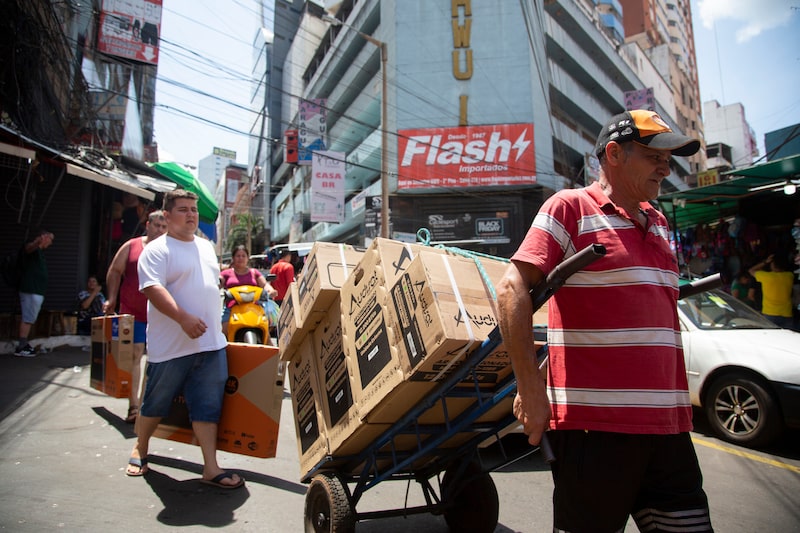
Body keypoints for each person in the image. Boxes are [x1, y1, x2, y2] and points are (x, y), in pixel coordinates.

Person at [497, 110, 713, 532]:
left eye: (668, 160)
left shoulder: (659, 222)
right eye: (654, 157)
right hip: (596, 433)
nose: (666, 168)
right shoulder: (570, 207)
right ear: (614, 154)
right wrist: (530, 388)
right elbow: (511, 289)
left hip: (670, 428)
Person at [125, 190, 243, 489]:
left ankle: (211, 467)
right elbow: (152, 289)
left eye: (193, 209)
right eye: (183, 209)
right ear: (166, 216)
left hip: (211, 344)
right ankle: (140, 446)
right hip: (171, 347)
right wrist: (183, 319)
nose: (191, 214)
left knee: (208, 406)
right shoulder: (156, 250)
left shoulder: (206, 246)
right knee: (155, 403)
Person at [103, 210, 167, 423]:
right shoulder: (131, 246)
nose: (159, 230)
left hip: (160, 312)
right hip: (132, 311)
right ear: (147, 225)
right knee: (135, 354)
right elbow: (115, 271)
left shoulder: (170, 250)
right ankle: (134, 406)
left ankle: (145, 405)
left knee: (155, 358)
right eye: (156, 225)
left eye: (163, 227)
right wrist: (111, 298)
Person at [219, 245, 277, 338]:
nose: (241, 258)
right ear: (233, 258)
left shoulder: (254, 272)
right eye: (238, 256)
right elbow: (218, 283)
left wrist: (271, 290)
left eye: (243, 256)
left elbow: (264, 284)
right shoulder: (226, 273)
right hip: (232, 308)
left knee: (266, 336)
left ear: (247, 258)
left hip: (254, 307)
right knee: (224, 333)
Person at [14, 230, 54, 357]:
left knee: (30, 317)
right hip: (31, 290)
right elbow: (29, 248)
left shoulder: (40, 253)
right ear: (44, 237)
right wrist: (37, 242)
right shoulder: (34, 249)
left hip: (36, 291)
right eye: (50, 239)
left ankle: (24, 344)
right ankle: (21, 346)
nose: (51, 243)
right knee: (28, 317)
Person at [749, 253, 795, 329]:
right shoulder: (789, 276)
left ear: (772, 264)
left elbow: (751, 270)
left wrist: (765, 262)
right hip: (787, 313)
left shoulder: (766, 276)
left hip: (770, 313)